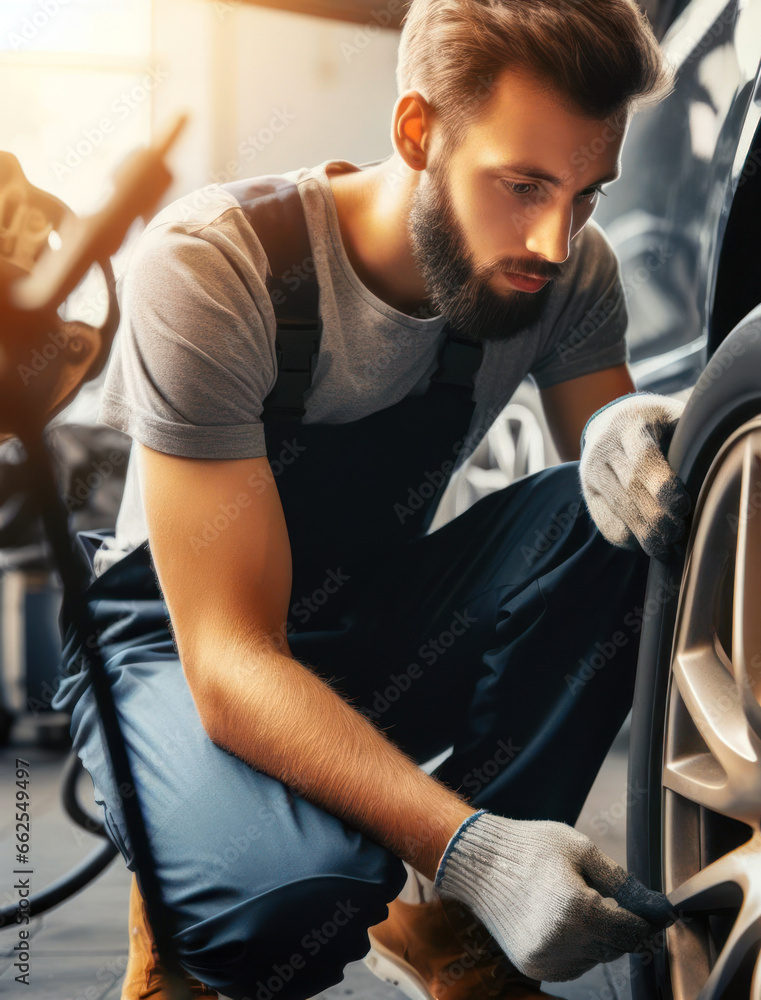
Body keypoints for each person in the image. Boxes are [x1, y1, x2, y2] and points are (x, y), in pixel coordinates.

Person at [52, 2, 691, 998]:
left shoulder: (561, 270)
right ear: (416, 132)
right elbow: (228, 657)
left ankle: (456, 925)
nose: (556, 240)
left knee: (628, 522)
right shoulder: (216, 265)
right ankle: (205, 859)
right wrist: (478, 844)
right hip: (183, 644)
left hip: (372, 614)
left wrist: (631, 427)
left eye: (588, 193)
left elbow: (614, 504)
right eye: (520, 185)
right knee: (280, 914)